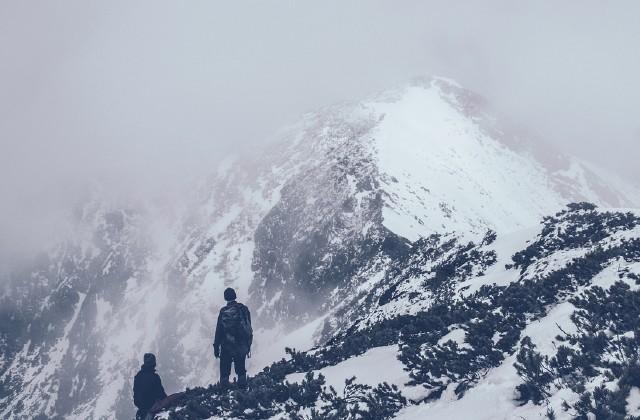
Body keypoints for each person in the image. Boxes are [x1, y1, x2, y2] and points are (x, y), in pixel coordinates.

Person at [213, 287, 253, 389]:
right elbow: (249, 328)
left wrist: (216, 347)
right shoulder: (243, 309)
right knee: (240, 368)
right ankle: (242, 390)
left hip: (227, 345)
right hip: (241, 344)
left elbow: (219, 331)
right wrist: (248, 344)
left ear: (225, 298)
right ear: (235, 296)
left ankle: (224, 392)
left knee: (225, 370)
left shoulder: (223, 311)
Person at [133, 353, 167, 419]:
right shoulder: (154, 377)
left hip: (142, 412)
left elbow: (136, 399)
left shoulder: (138, 377)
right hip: (154, 410)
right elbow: (161, 394)